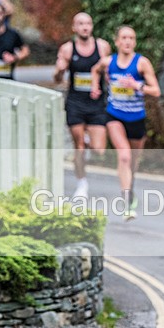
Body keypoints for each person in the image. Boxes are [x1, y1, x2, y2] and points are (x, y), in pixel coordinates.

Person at [90, 25, 160, 220]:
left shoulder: (141, 63)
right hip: (115, 115)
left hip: (136, 118)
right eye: (124, 38)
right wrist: (95, 87)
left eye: (131, 38)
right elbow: (94, 70)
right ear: (117, 41)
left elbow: (156, 91)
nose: (127, 41)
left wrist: (136, 85)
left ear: (134, 42)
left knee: (133, 163)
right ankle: (127, 202)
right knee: (124, 157)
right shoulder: (108, 62)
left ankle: (130, 186)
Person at [53, 12, 112, 199]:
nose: (85, 27)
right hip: (75, 103)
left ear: (92, 26)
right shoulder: (67, 49)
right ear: (74, 27)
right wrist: (60, 70)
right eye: (80, 23)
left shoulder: (102, 47)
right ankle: (81, 184)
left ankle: (88, 139)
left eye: (88, 23)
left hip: (96, 103)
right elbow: (57, 79)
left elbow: (109, 72)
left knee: (98, 148)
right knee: (78, 146)